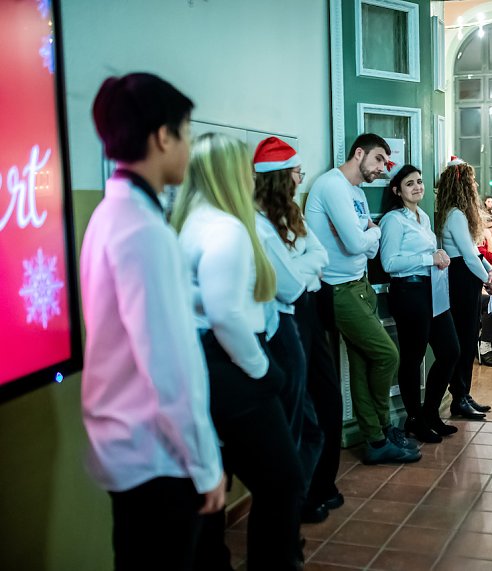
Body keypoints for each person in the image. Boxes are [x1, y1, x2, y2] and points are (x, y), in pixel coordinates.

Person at [81, 73, 224, 571]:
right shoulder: (143, 229)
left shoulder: (110, 214)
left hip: (127, 445)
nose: (188, 147)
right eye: (185, 132)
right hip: (156, 453)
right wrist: (207, 464)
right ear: (163, 136)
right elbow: (170, 367)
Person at [172, 133, 304, 569]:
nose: (251, 177)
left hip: (200, 364)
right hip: (232, 367)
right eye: (244, 169)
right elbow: (225, 313)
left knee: (216, 479)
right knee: (282, 482)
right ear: (230, 173)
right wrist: (262, 370)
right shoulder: (226, 228)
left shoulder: (188, 221)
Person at [304, 133, 420, 465]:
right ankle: (383, 426)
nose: (383, 168)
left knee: (362, 363)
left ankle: (376, 440)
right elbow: (359, 243)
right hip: (338, 289)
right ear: (359, 153)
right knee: (388, 355)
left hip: (361, 284)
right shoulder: (332, 186)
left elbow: (364, 243)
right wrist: (374, 231)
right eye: (379, 160)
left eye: (385, 162)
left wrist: (367, 234)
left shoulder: (355, 191)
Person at [251, 137, 343, 524]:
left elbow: (321, 254)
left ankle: (322, 483)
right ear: (279, 178)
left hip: (307, 310)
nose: (300, 179)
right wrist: (303, 271)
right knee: (299, 405)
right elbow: (281, 281)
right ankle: (301, 494)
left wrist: (300, 269)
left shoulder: (293, 213)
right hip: (283, 317)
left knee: (328, 396)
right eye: (296, 174)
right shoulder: (256, 222)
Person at [379, 165, 460, 443]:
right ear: (397, 191)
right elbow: (389, 263)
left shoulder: (423, 217)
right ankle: (414, 420)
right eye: (410, 183)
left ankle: (431, 412)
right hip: (408, 291)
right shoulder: (393, 220)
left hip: (432, 288)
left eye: (420, 182)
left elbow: (427, 253)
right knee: (413, 359)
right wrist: (429, 259)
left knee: (451, 351)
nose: (417, 187)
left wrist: (438, 253)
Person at [438, 157, 492, 419]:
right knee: (465, 339)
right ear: (463, 185)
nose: (475, 186)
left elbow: (473, 252)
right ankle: (459, 396)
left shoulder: (454, 213)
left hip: (465, 275)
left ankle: (463, 393)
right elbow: (467, 254)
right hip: (461, 278)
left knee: (468, 336)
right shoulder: (455, 214)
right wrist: (489, 278)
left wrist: (488, 272)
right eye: (472, 182)